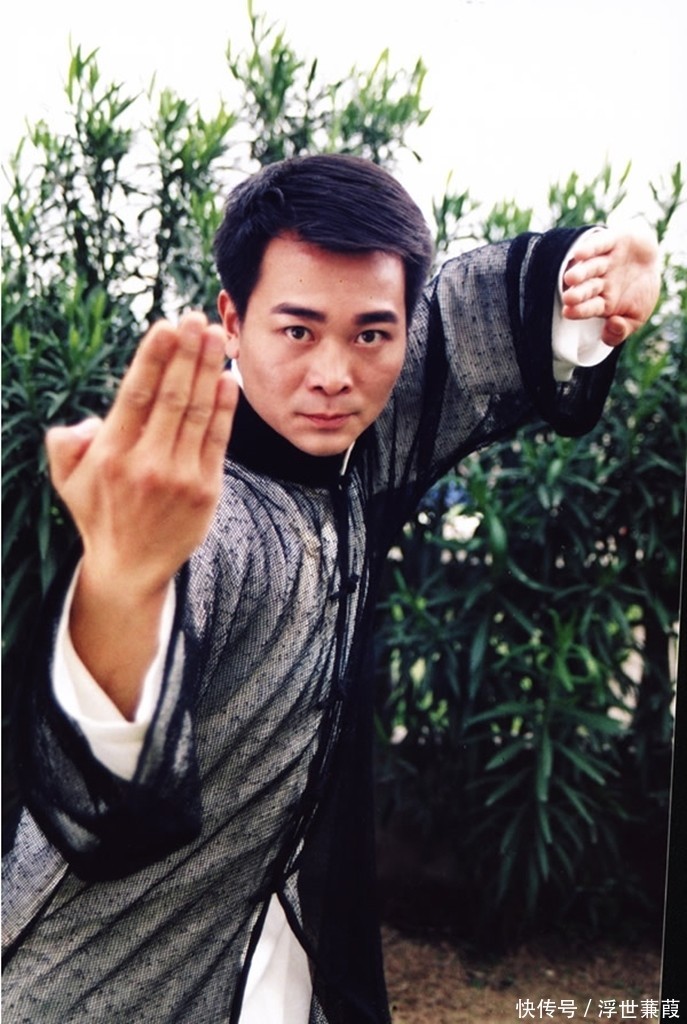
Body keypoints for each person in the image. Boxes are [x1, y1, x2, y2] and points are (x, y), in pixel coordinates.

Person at [2, 154, 660, 1023]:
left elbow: (465, 319)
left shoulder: (364, 439)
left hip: (285, 946)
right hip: (105, 971)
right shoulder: (204, 511)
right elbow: (99, 761)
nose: (333, 374)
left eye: (370, 335)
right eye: (298, 331)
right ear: (231, 321)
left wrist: (602, 273)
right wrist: (125, 583)